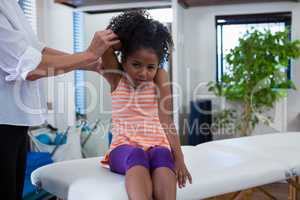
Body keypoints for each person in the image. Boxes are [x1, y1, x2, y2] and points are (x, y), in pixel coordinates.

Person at [0, 1, 119, 199]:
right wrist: (88, 55)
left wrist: (90, 63)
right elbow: (29, 65)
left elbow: (38, 51)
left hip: (15, 123)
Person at [99, 10, 192, 200]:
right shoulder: (116, 77)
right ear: (124, 60)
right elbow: (104, 44)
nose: (143, 73)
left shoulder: (159, 77)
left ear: (158, 66)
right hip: (123, 149)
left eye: (151, 67)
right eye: (136, 64)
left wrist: (179, 158)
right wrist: (124, 40)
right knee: (137, 154)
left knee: (162, 154)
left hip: (156, 144)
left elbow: (166, 119)